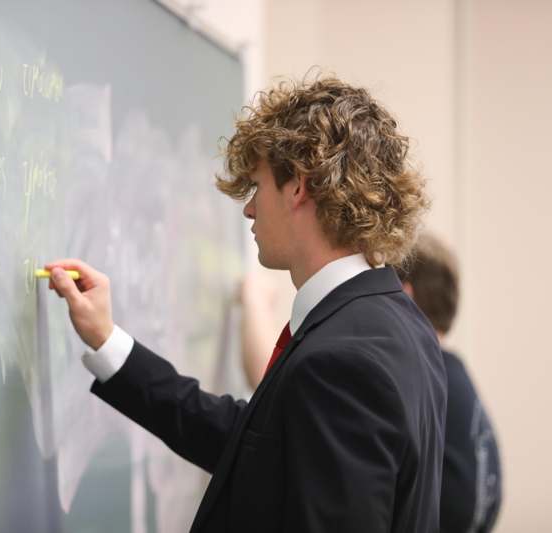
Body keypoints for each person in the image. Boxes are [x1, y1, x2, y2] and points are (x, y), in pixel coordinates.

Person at [46, 75, 447, 532]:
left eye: (256, 186)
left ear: (298, 186)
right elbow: (252, 446)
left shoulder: (340, 362)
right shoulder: (394, 322)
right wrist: (108, 342)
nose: (248, 209)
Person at [398, 233, 502, 532]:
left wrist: (255, 300)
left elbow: (294, 399)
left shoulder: (418, 375)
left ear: (405, 297)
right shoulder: (456, 377)